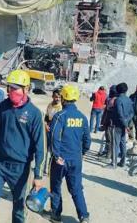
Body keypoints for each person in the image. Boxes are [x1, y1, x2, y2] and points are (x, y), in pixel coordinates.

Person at [0, 70, 45, 223]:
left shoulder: (35, 114)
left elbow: (41, 146)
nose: (12, 91)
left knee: (19, 212)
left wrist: (38, 175)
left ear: (26, 89)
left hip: (20, 169)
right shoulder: (2, 107)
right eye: (10, 87)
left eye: (16, 88)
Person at [47, 85, 91, 223]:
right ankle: (84, 216)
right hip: (76, 159)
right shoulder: (82, 117)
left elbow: (54, 137)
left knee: (56, 187)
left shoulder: (60, 116)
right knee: (76, 188)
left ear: (63, 99)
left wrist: (55, 155)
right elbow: (87, 140)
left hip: (60, 159)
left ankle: (56, 215)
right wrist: (82, 152)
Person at [110, 83, 134, 167]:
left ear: (117, 90)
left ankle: (113, 163)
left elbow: (120, 114)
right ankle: (122, 162)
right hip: (124, 125)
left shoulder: (118, 100)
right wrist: (126, 122)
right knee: (123, 143)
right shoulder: (129, 99)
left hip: (117, 124)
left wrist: (125, 124)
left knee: (115, 144)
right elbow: (132, 113)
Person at [43, 90, 63, 175]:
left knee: (53, 150)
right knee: (46, 150)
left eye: (59, 97)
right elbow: (47, 117)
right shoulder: (50, 105)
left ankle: (51, 168)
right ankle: (45, 168)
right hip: (48, 129)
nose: (57, 99)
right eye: (56, 97)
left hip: (56, 130)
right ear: (52, 97)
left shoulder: (61, 107)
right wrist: (46, 125)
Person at [99, 85, 117, 159]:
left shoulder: (115, 100)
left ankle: (109, 155)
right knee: (108, 139)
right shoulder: (110, 99)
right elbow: (105, 112)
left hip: (111, 123)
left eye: (111, 90)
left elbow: (109, 112)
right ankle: (107, 152)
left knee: (110, 140)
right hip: (107, 122)